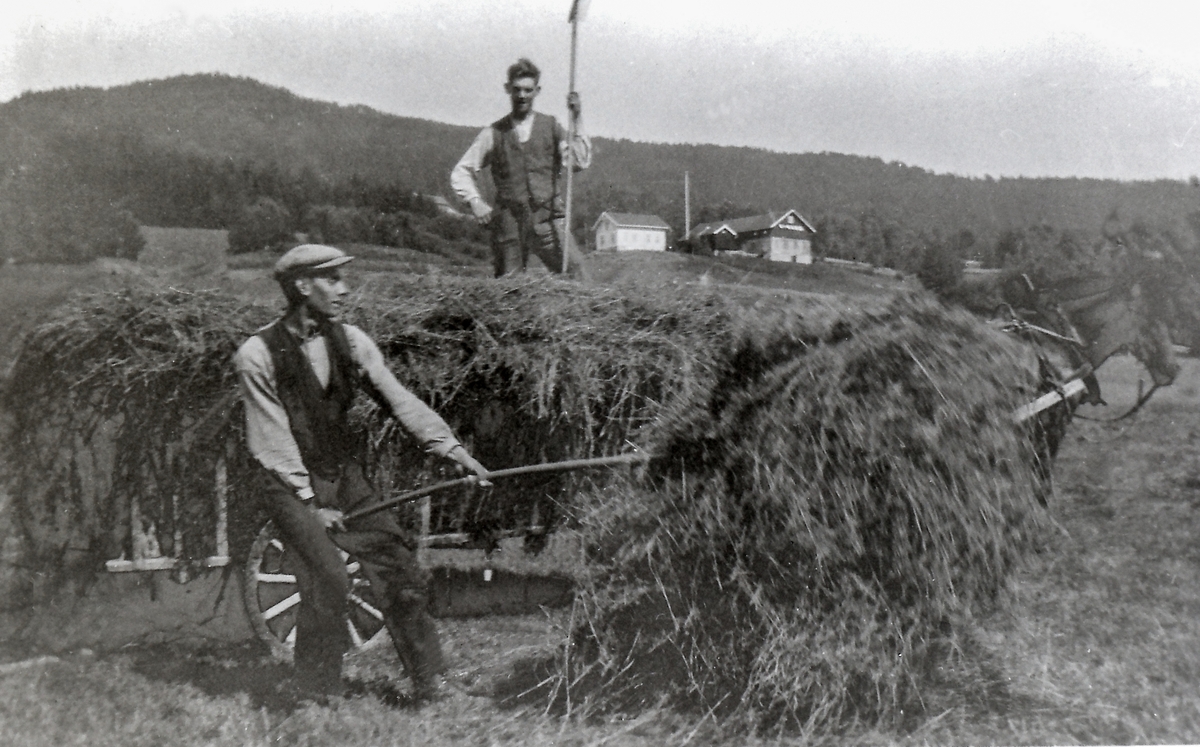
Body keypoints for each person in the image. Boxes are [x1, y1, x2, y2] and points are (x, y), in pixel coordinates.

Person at [234, 244, 491, 703]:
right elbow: (272, 441)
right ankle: (314, 693)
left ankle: (433, 682)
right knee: (329, 580)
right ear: (301, 286)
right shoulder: (257, 354)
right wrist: (312, 507)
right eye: (331, 279)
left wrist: (449, 448)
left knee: (397, 563)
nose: (344, 289)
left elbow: (400, 400)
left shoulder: (351, 342)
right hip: (286, 481)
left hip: (340, 472)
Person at [451, 57, 593, 281]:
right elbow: (461, 171)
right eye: (516, 90)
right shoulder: (494, 133)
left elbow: (579, 162)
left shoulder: (551, 127)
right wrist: (475, 202)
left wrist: (577, 117)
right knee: (508, 290)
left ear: (537, 91)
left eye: (528, 90)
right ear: (507, 89)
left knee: (578, 275)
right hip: (510, 225)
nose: (522, 96)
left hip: (548, 221)